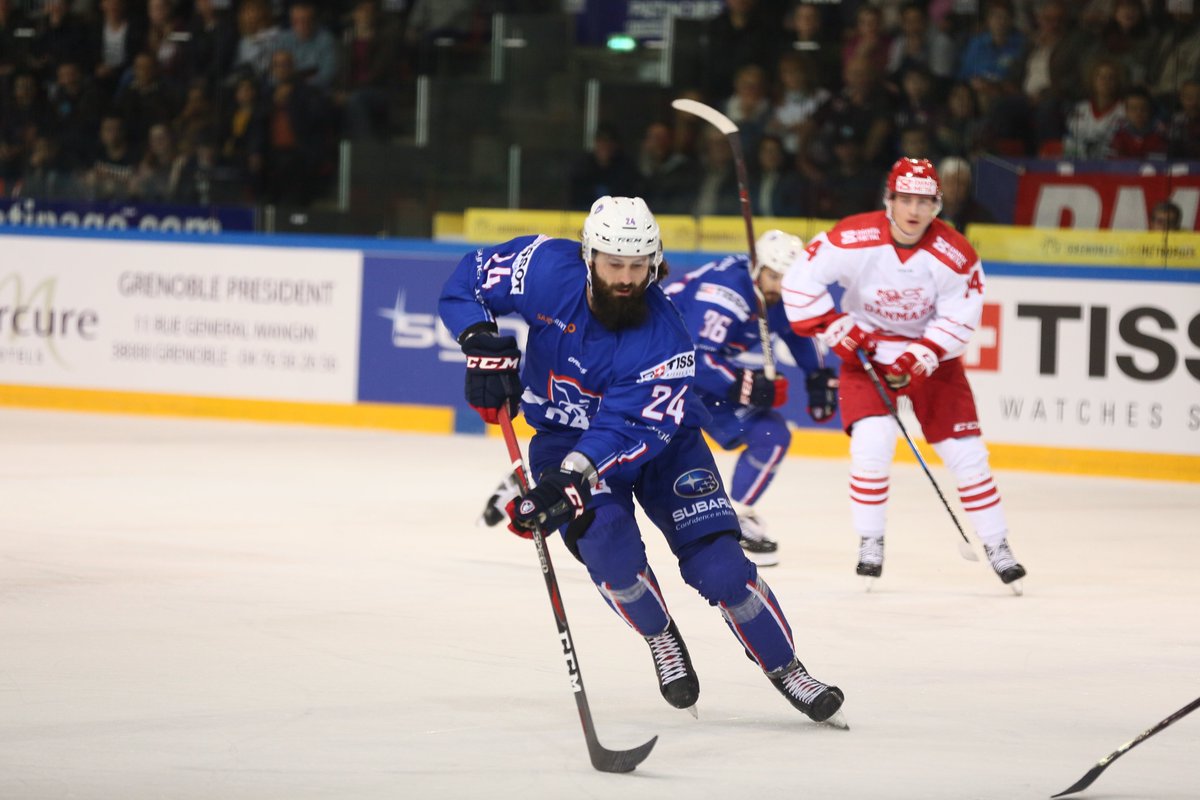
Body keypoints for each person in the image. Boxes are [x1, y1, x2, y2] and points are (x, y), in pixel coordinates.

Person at [441, 196, 845, 724]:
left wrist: (567, 483)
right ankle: (661, 636)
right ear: (589, 256)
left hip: (664, 446)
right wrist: (479, 339)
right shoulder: (543, 267)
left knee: (721, 569)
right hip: (563, 437)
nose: (627, 278)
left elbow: (631, 427)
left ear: (653, 262)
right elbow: (469, 277)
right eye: (614, 264)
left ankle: (786, 667)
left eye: (638, 266)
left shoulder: (665, 335)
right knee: (610, 552)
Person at [781, 158, 1027, 591]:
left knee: (966, 455)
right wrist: (836, 326)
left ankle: (997, 544)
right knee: (872, 446)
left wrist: (921, 356)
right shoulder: (852, 236)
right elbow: (800, 283)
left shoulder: (956, 254)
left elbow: (960, 317)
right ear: (888, 200)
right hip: (867, 353)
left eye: (925, 201)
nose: (914, 210)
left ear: (938, 205)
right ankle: (870, 540)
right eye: (905, 199)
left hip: (933, 359)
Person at [661, 229, 838, 567]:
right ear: (757, 267)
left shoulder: (779, 295)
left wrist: (817, 374)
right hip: (662, 370)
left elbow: (797, 332)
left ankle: (737, 518)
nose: (778, 286)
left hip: (693, 376)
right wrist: (745, 384)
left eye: (788, 279)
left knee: (770, 435)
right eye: (773, 276)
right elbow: (693, 356)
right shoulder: (726, 293)